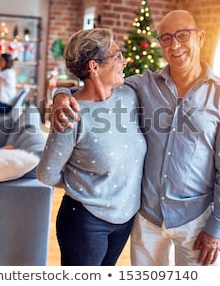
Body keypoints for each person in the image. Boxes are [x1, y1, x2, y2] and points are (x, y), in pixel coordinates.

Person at [51, 9, 220, 266]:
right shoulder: (142, 86)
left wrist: (218, 226)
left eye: (183, 35)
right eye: (166, 38)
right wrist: (61, 95)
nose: (175, 45)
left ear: (201, 37)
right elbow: (94, 86)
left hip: (196, 222)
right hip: (147, 219)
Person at [37, 28, 147, 266]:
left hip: (124, 218)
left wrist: (61, 92)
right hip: (85, 222)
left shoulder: (128, 96)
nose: (124, 60)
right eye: (116, 55)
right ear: (93, 66)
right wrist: (83, 185)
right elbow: (46, 173)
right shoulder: (71, 114)